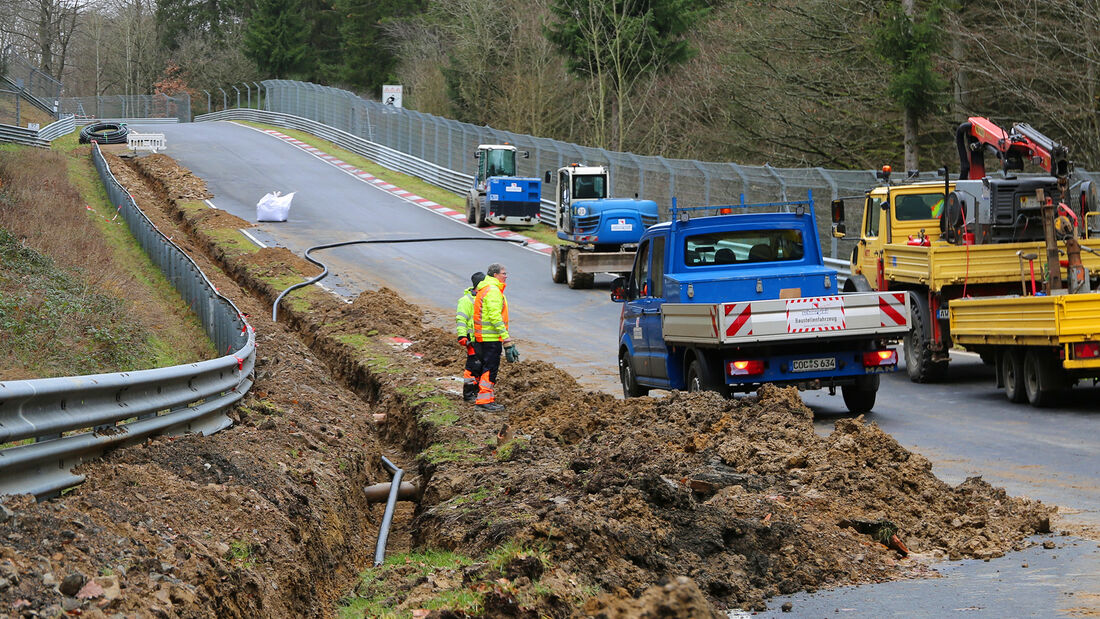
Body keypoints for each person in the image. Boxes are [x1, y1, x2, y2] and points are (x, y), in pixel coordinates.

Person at [472, 263, 519, 411]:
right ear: (495, 275)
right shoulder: (493, 291)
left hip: (484, 337)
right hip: (490, 338)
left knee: (487, 368)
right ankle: (484, 401)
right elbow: (494, 317)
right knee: (489, 368)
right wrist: (506, 338)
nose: (506, 276)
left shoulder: (487, 288)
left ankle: (487, 399)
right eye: (504, 273)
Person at [456, 272, 486, 402]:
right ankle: (468, 394)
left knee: (482, 366)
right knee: (473, 366)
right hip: (472, 340)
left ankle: (477, 391)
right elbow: (461, 319)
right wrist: (462, 336)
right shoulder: (466, 300)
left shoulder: (485, 298)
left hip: (484, 340)